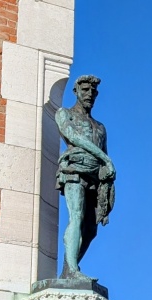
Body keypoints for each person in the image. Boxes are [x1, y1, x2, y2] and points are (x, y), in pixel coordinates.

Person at [55, 74, 116, 279]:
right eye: (85, 90)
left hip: (94, 177)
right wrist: (105, 159)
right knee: (76, 216)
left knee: (91, 229)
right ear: (76, 92)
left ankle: (68, 269)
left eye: (93, 91)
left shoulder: (100, 127)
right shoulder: (65, 114)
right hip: (74, 171)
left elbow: (104, 156)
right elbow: (73, 137)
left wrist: (107, 185)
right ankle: (72, 270)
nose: (89, 94)